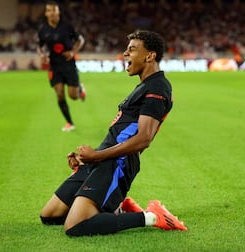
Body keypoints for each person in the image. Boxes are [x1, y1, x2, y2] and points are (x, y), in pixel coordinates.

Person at [40, 30, 187, 236]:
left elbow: (143, 139)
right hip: (103, 158)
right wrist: (88, 159)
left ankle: (153, 216)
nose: (125, 54)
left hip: (118, 163)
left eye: (132, 49)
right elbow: (121, 132)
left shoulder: (158, 87)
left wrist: (97, 156)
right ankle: (115, 204)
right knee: (50, 215)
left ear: (150, 56)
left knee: (74, 226)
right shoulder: (143, 86)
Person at [37, 1, 86, 132]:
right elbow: (39, 45)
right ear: (46, 13)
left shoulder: (67, 26)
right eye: (49, 10)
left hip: (68, 64)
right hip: (54, 65)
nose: (51, 13)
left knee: (73, 96)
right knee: (59, 94)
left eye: (54, 10)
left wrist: (72, 52)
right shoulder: (43, 29)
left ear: (58, 12)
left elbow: (80, 40)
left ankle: (80, 89)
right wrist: (42, 55)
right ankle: (69, 122)